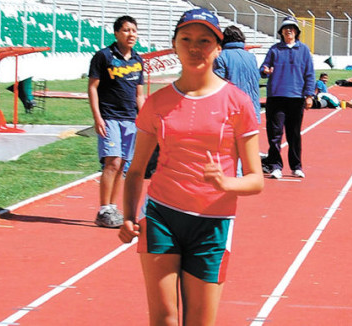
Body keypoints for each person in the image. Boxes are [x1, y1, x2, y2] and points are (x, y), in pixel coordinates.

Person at [118, 8, 263, 326]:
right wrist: (128, 216)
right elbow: (136, 169)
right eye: (187, 39)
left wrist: (225, 183)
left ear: (218, 48)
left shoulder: (238, 103)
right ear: (174, 45)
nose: (195, 47)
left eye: (205, 40)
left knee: (200, 321)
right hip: (162, 217)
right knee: (165, 318)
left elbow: (256, 179)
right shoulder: (157, 103)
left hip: (213, 223)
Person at [88, 15, 145, 228]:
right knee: (111, 162)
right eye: (126, 30)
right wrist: (97, 117)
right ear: (116, 33)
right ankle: (104, 209)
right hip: (109, 117)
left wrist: (146, 117)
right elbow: (93, 87)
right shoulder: (103, 57)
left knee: (122, 164)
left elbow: (139, 94)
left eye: (134, 31)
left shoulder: (138, 60)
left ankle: (112, 207)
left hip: (130, 119)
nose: (131, 35)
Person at [259, 16, 315, 179]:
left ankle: (296, 166)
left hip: (296, 98)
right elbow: (263, 69)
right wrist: (265, 70)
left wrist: (309, 95)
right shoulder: (275, 50)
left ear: (296, 31)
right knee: (274, 134)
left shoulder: (304, 50)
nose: (288, 30)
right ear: (281, 32)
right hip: (276, 97)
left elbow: (309, 74)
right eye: (285, 28)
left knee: (294, 134)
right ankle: (276, 165)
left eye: (291, 28)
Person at [214, 25, 262, 124]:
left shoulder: (221, 57)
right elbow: (257, 78)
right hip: (252, 109)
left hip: (231, 112)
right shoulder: (251, 57)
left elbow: (217, 85)